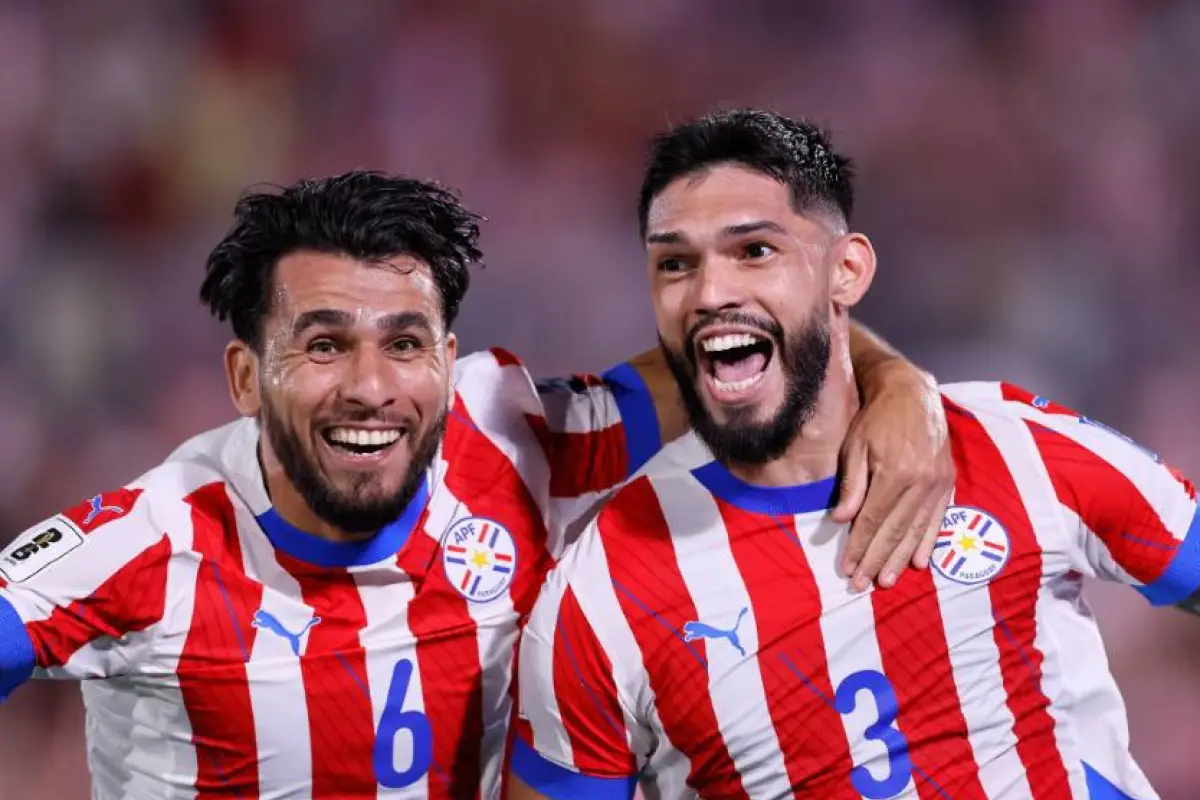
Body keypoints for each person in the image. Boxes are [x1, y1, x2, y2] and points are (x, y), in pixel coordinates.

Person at [0, 171, 952, 799]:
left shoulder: (506, 437)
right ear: (248, 377)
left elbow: (749, 346)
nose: (371, 388)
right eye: (324, 345)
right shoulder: (151, 545)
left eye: (405, 345)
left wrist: (895, 378)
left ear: (449, 360)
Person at [510, 109, 1199, 800]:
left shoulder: (1010, 445)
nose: (710, 293)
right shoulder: (601, 590)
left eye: (754, 251)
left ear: (848, 270)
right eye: (675, 263)